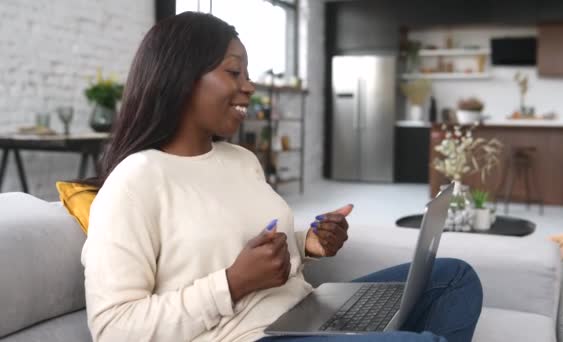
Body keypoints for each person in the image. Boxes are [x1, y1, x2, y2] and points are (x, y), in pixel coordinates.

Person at [81, 12, 482, 342]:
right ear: (181, 78)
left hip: (300, 313)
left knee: (456, 277)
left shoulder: (239, 159)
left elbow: (242, 239)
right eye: (234, 72)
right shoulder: (135, 181)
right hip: (246, 337)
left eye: (247, 74)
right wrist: (232, 283)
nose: (249, 86)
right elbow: (113, 328)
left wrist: (307, 243)